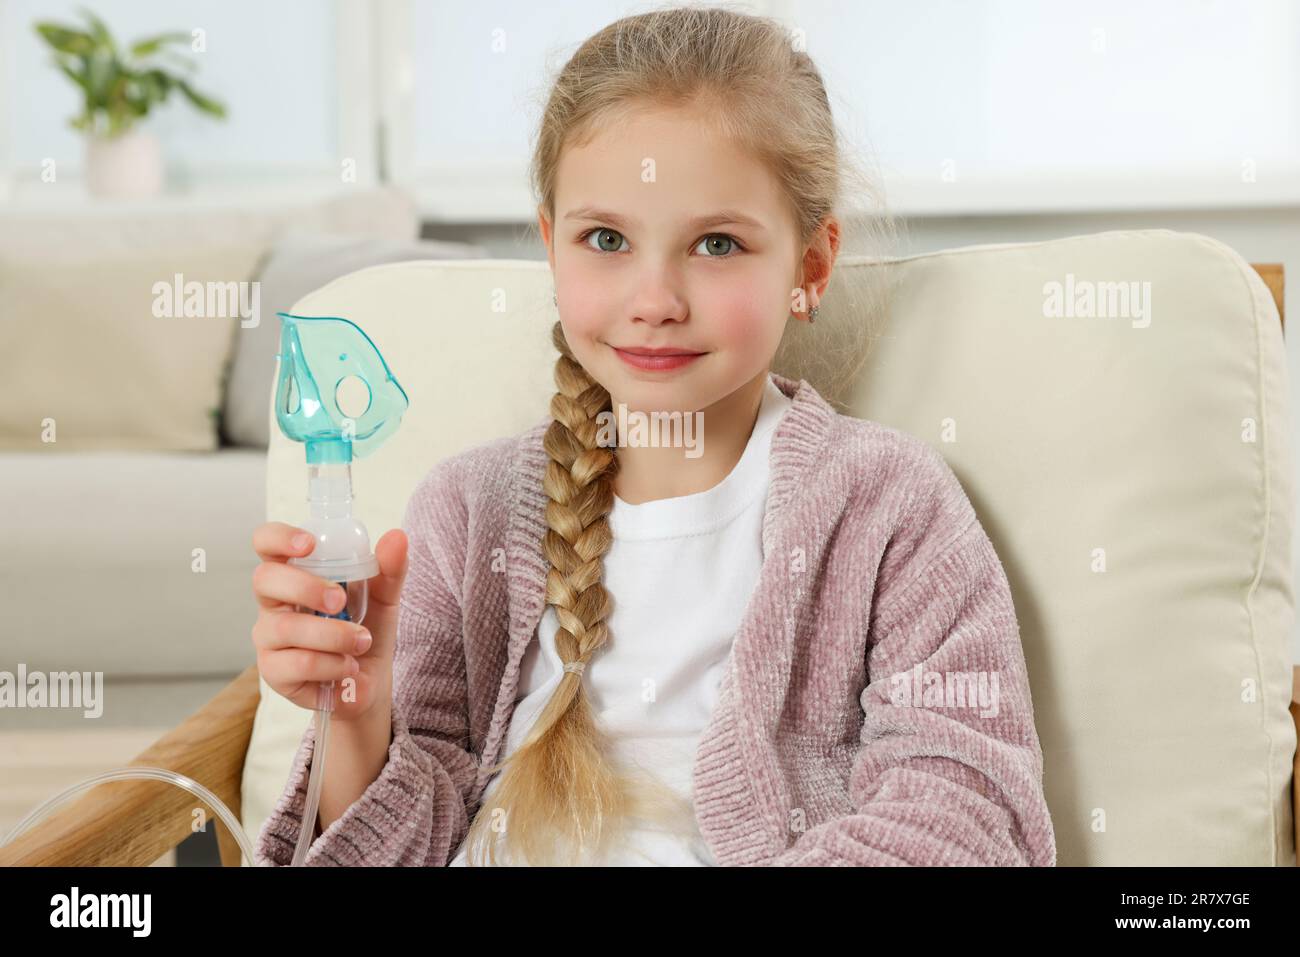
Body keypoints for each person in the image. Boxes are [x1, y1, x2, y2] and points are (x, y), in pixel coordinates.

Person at [251, 4, 1056, 867]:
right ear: (550, 247)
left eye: (716, 243)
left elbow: (970, 818)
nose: (655, 299)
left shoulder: (889, 507)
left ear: (812, 266)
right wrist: (359, 722)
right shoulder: (467, 511)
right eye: (605, 239)